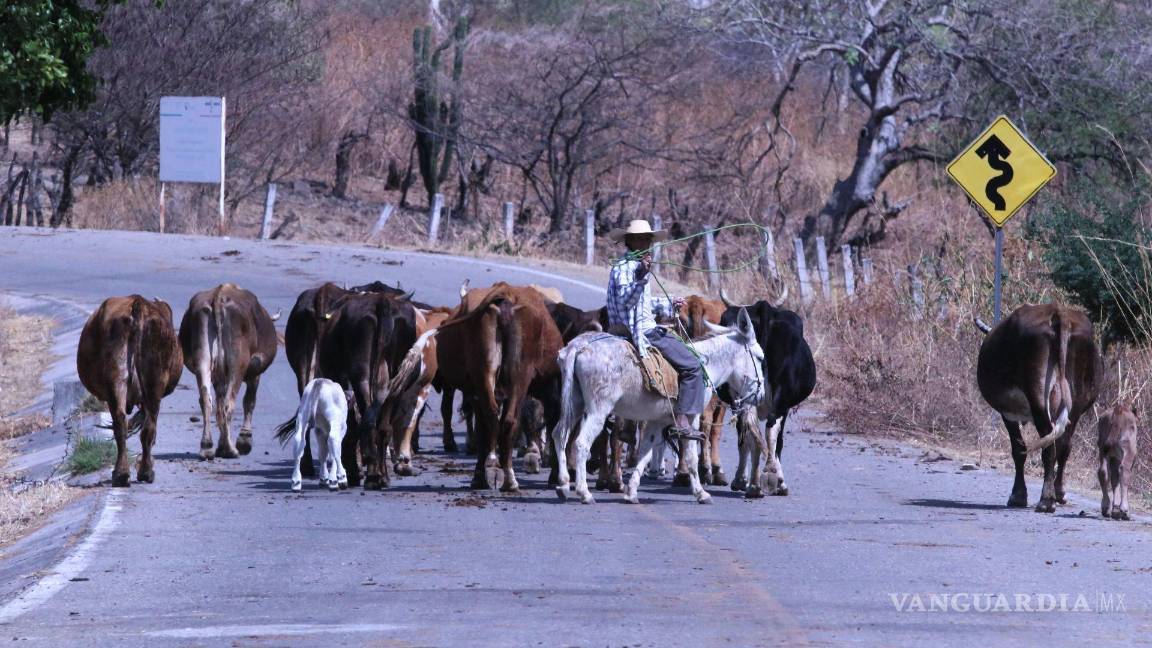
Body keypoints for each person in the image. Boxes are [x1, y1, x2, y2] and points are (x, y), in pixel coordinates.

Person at [606, 219, 704, 435]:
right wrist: (641, 279)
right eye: (640, 239)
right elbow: (626, 301)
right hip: (641, 331)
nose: (645, 244)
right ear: (629, 241)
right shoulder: (628, 268)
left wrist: (669, 305)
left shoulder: (630, 266)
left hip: (627, 326)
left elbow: (643, 302)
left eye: (647, 240)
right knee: (693, 365)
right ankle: (682, 420)